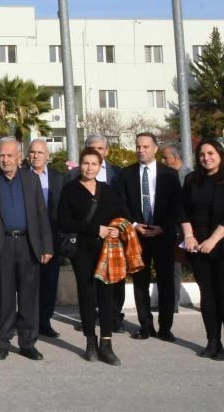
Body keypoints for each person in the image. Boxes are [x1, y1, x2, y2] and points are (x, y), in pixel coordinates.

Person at [0, 138, 53, 360]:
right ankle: (2, 341)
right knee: (3, 295)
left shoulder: (31, 179)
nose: (5, 160)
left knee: (29, 296)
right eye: (1, 155)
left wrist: (46, 245)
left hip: (28, 245)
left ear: (20, 158)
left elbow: (41, 213)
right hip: (1, 245)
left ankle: (28, 342)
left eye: (10, 155)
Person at [58, 146, 127, 365]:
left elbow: (120, 216)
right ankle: (90, 341)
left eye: (94, 164)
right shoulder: (70, 189)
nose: (89, 167)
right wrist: (95, 229)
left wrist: (117, 228)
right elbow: (63, 220)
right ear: (80, 165)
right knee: (87, 295)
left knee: (107, 295)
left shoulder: (107, 190)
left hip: (106, 250)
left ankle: (106, 343)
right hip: (82, 250)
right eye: (86, 163)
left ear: (100, 166)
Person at [179, 138, 224, 360]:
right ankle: (212, 341)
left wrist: (213, 240)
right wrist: (189, 236)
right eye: (202, 155)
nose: (206, 158)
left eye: (210, 153)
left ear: (220, 154)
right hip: (197, 246)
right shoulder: (191, 180)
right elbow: (183, 210)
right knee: (207, 296)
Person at [118, 132, 183, 342]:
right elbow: (122, 203)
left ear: (155, 148)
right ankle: (145, 326)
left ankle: (165, 327)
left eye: (145, 147)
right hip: (138, 234)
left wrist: (163, 227)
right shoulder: (126, 174)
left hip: (162, 234)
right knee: (140, 282)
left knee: (166, 282)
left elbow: (177, 205)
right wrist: (135, 225)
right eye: (138, 146)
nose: (141, 150)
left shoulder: (169, 174)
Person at [26, 138, 65, 337]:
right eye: (32, 152)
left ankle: (45, 322)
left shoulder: (59, 178)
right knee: (28, 283)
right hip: (27, 239)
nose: (36, 156)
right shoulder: (21, 177)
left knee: (50, 282)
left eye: (40, 152)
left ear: (47, 156)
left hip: (53, 238)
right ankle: (27, 321)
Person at [161, 143, 191, 312]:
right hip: (173, 227)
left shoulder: (187, 176)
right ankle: (172, 304)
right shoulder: (170, 175)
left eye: (166, 158)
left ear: (176, 157)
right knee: (174, 265)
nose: (163, 161)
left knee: (180, 265)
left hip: (185, 228)